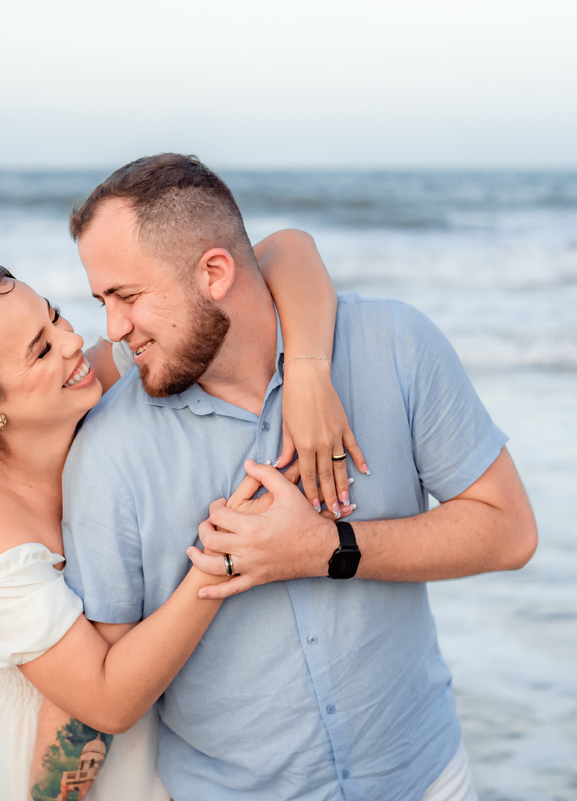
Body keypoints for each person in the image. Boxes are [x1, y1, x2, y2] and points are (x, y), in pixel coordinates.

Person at [61, 153, 539, 801]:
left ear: (214, 272)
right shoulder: (109, 449)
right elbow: (107, 685)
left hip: (426, 779)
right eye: (102, 301)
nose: (113, 329)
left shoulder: (394, 344)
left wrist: (324, 548)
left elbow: (509, 531)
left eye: (128, 296)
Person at [0, 230, 360, 801]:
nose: (75, 342)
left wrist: (307, 374)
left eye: (54, 317)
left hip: (166, 739)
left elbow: (285, 249)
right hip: (56, 772)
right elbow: (105, 701)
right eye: (41, 350)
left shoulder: (94, 386)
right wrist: (223, 556)